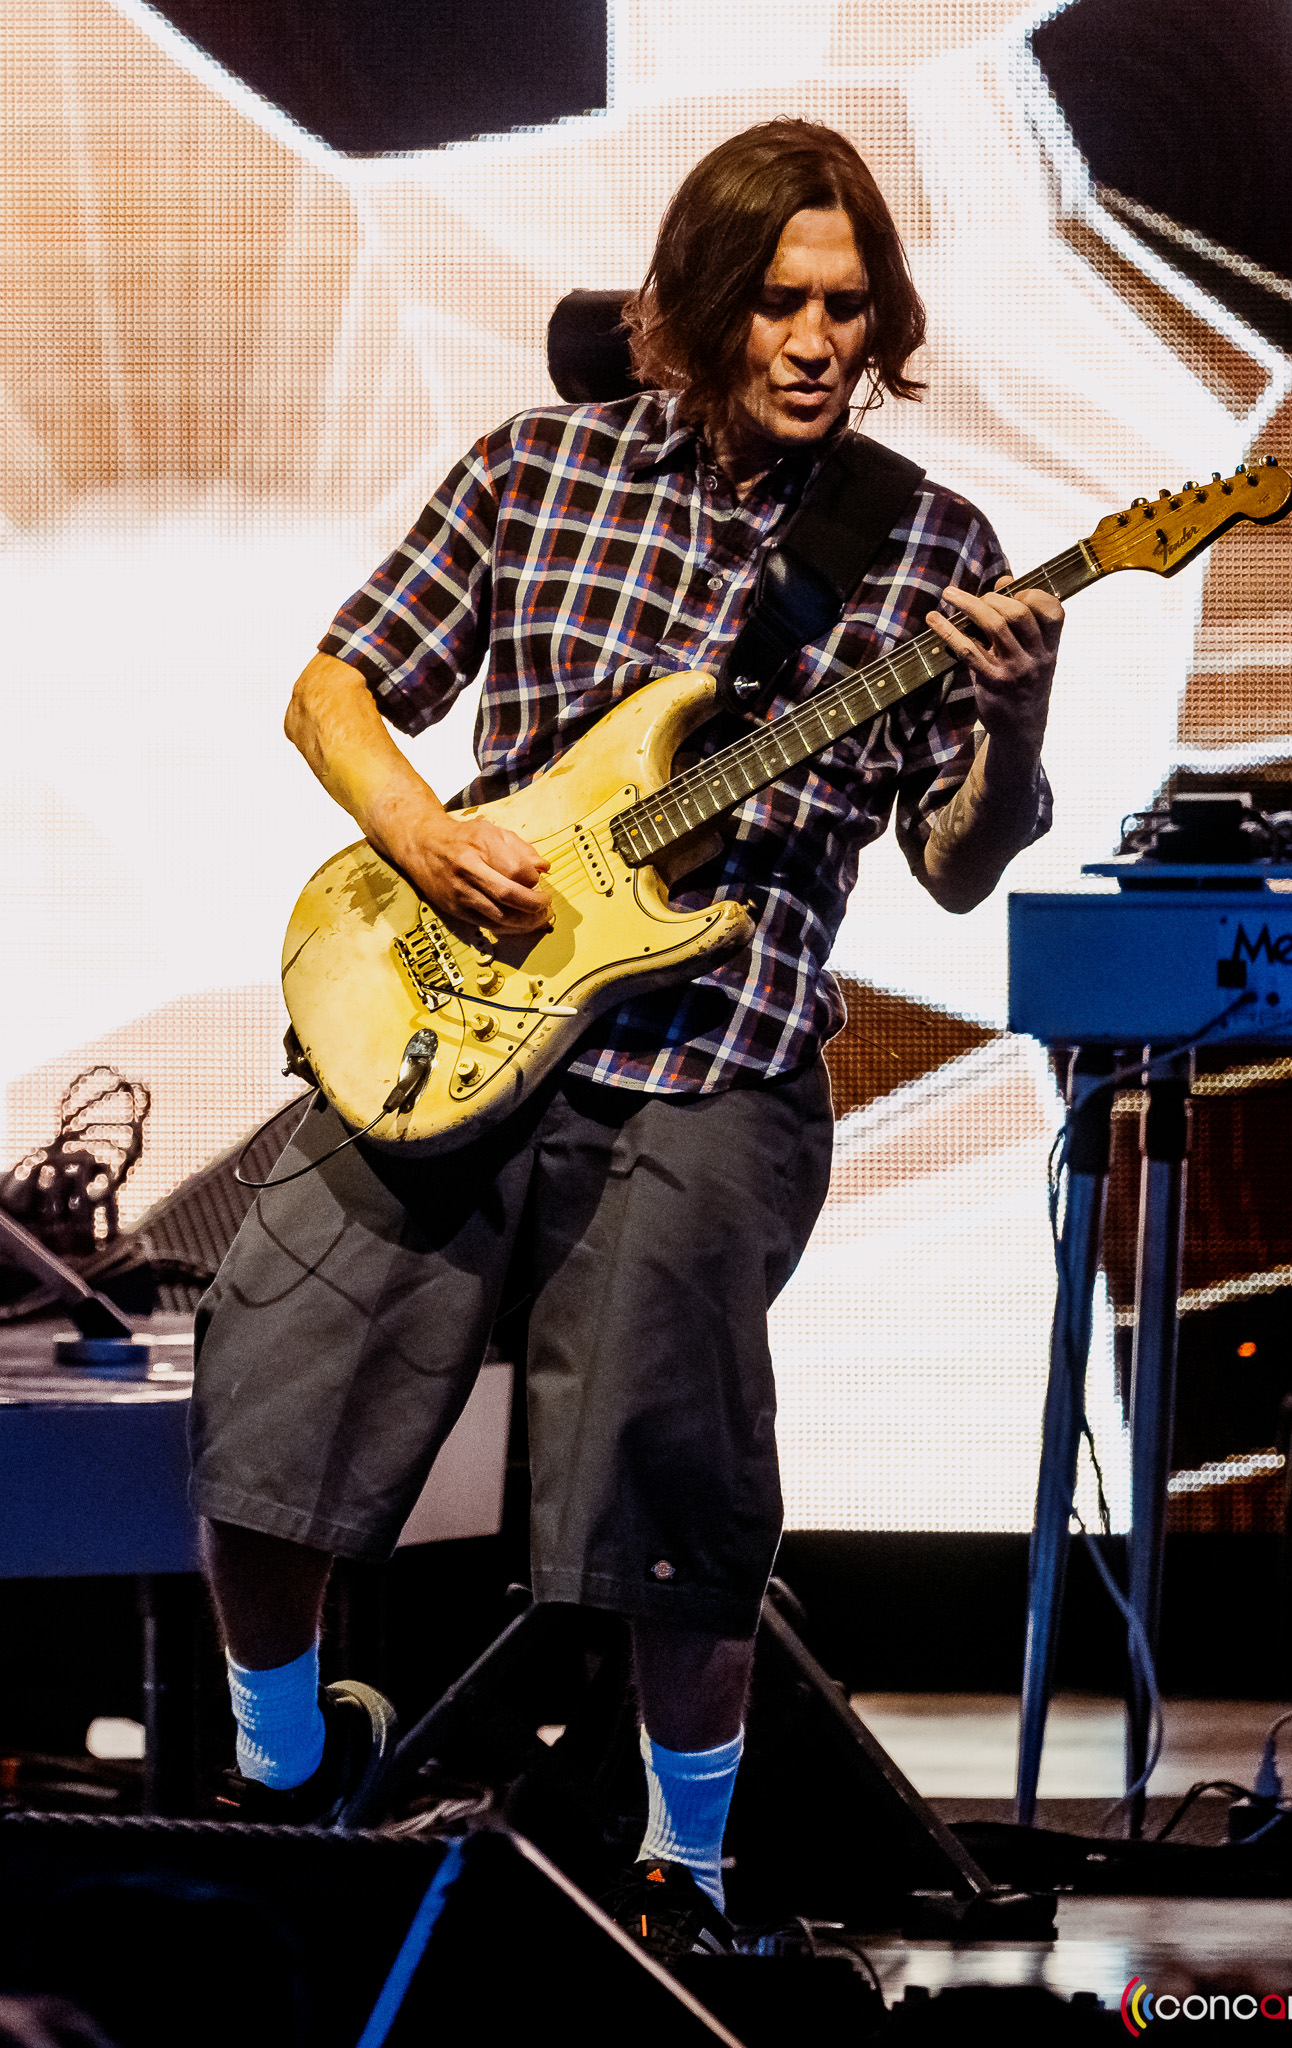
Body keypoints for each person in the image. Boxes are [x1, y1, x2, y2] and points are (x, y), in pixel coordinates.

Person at [188, 118, 1063, 1957]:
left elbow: (962, 868)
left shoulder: (927, 550)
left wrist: (1021, 723)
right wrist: (418, 831)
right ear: (689, 311)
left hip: (709, 1064)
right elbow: (332, 689)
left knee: (675, 1477)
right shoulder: (535, 469)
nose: (820, 340)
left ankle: (694, 1874)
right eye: (780, 303)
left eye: (849, 306)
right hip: (449, 1014)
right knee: (274, 1383)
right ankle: (277, 1776)